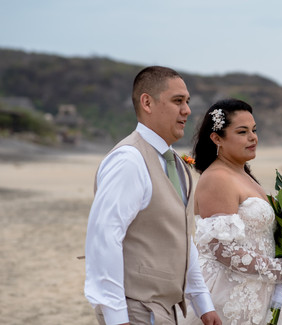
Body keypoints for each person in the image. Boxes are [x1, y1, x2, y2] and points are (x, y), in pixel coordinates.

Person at [84, 66, 221, 325]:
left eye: (188, 102)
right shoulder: (129, 160)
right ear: (147, 102)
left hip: (167, 311)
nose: (187, 110)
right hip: (135, 310)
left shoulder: (177, 165)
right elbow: (104, 237)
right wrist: (116, 317)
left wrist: (202, 303)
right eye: (177, 101)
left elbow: (182, 236)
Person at [180, 99, 282, 325]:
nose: (253, 137)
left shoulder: (244, 175)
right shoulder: (217, 178)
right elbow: (223, 250)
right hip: (226, 295)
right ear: (217, 139)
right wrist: (279, 270)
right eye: (242, 132)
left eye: (254, 130)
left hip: (258, 290)